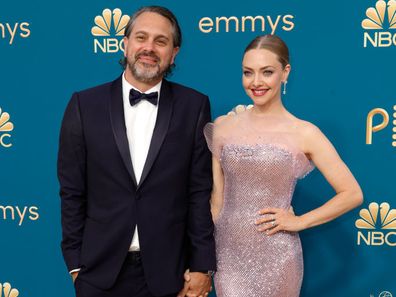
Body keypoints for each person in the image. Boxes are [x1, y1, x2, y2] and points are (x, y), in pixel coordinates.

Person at [57, 6, 215, 297]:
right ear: (125, 43)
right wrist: (75, 265)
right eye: (141, 37)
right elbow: (72, 191)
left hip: (170, 275)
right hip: (98, 273)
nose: (149, 48)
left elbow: (199, 192)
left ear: (174, 52)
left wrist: (202, 266)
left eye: (161, 41)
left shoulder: (194, 107)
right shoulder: (83, 105)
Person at [203, 34, 363, 297]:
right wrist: (203, 259)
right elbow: (216, 201)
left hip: (277, 257)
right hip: (227, 255)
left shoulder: (304, 133)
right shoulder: (223, 126)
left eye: (267, 72)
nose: (256, 82)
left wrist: (300, 221)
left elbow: (352, 194)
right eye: (247, 72)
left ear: (285, 72)